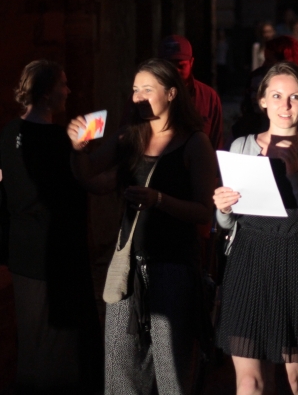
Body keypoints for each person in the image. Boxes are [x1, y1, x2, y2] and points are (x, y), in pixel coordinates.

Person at [68, 59, 218, 395]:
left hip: (174, 267)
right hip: (128, 267)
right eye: (135, 90)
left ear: (171, 93)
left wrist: (159, 199)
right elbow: (91, 178)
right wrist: (79, 149)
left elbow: (203, 212)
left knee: (170, 370)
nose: (138, 97)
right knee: (120, 369)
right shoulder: (129, 137)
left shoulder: (195, 143)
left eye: (147, 90)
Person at [213, 62, 298, 395]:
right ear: (262, 101)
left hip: (293, 264)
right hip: (247, 261)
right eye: (277, 96)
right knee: (249, 382)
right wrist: (222, 207)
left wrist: (296, 174)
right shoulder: (242, 147)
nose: (286, 105)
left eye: (294, 97)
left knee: (293, 383)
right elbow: (225, 224)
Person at [0, 60, 103, 394]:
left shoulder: (8, 133)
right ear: (46, 95)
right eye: (62, 85)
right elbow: (87, 181)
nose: (69, 90)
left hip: (22, 251)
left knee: (31, 339)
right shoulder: (61, 140)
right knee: (60, 347)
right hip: (59, 254)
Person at [159, 34, 223, 151]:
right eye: (169, 66)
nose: (175, 72)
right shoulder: (144, 97)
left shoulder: (209, 98)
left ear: (191, 62)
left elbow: (217, 147)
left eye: (181, 66)